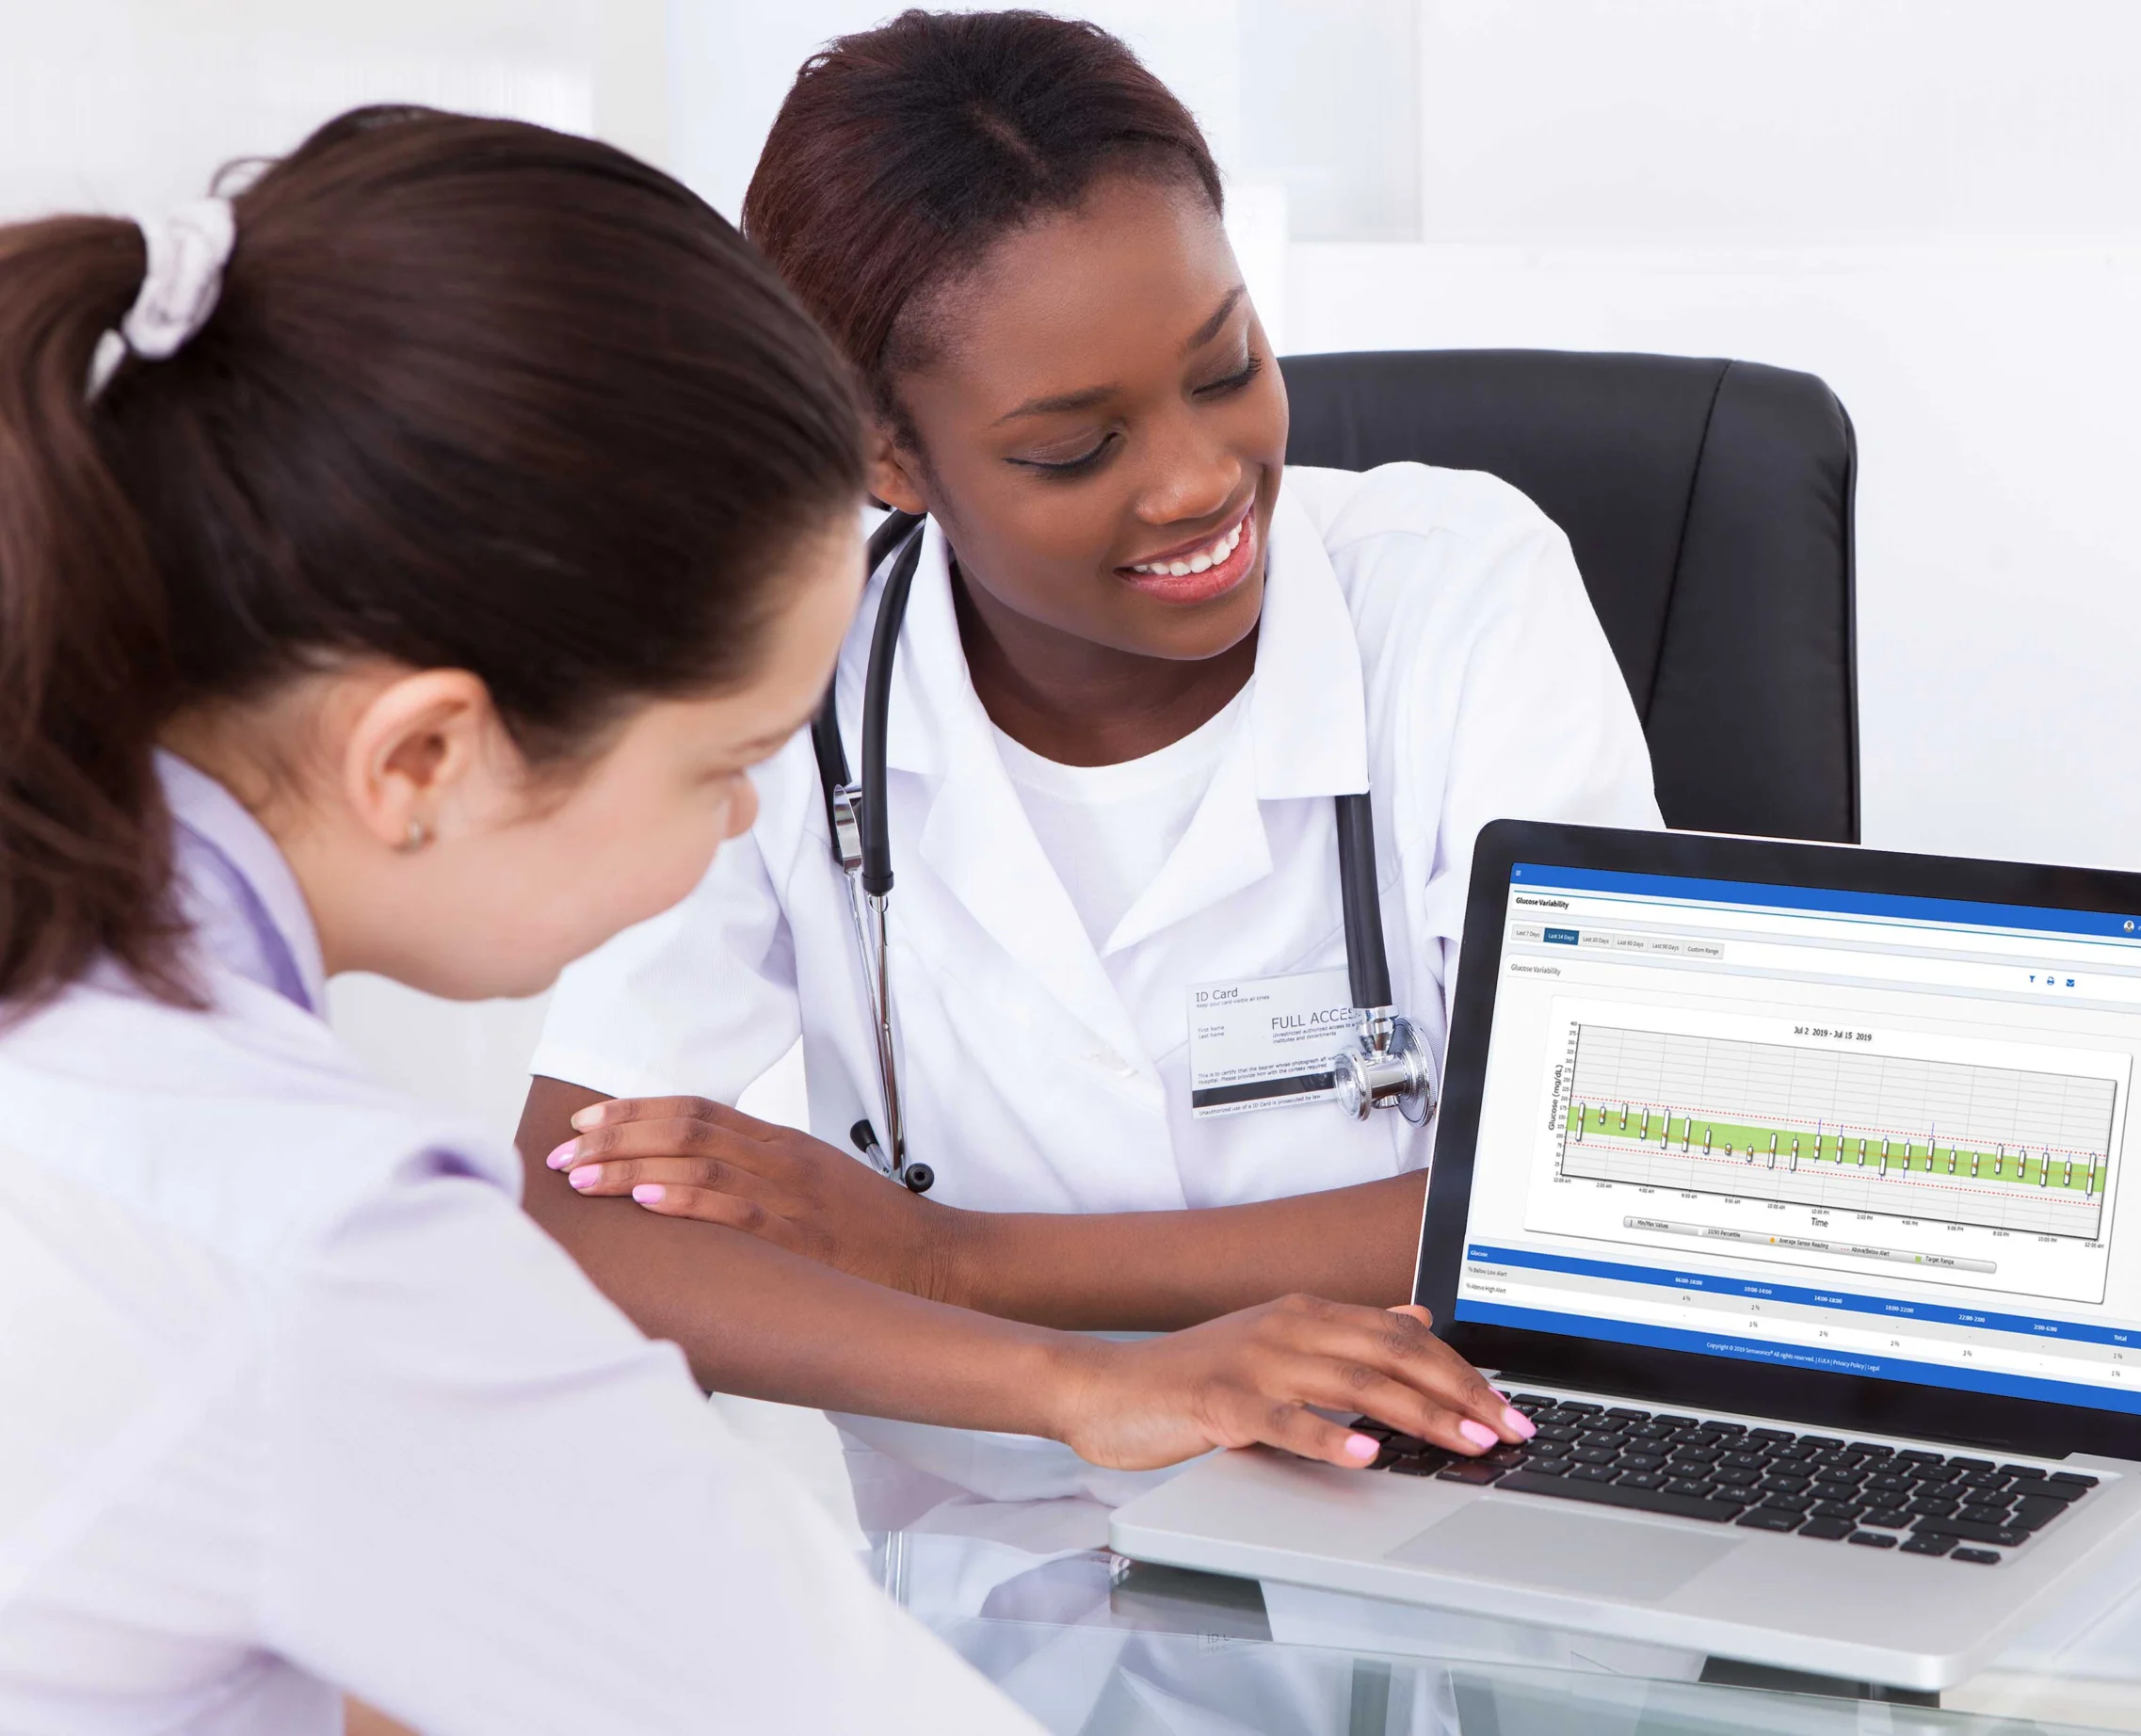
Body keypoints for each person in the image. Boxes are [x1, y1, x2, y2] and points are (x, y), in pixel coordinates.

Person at [0, 106, 1521, 1733]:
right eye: (723, 761)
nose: (746, 816)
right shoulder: (323, 1249)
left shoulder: (111, 1079)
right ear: (424, 756)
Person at [520, 9, 1658, 1508]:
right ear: (886, 457)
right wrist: (1086, 1385)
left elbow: (1607, 1191)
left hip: (1438, 1532)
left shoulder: (1458, 589)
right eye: (1072, 448)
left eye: (1226, 363)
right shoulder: (782, 668)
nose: (1198, 479)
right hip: (989, 1577)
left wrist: (950, 1260)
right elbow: (574, 1217)